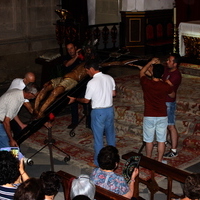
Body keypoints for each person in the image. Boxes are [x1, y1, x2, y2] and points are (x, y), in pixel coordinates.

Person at [68, 60, 116, 167]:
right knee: (110, 135)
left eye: (86, 70)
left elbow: (86, 100)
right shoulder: (109, 78)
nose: (87, 73)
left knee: (98, 138)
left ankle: (98, 162)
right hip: (109, 110)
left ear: (91, 69)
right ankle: (113, 159)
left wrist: (75, 99)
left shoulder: (92, 82)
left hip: (98, 111)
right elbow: (114, 93)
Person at [140, 58, 175, 162]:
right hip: (162, 115)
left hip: (149, 115)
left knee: (149, 140)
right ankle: (159, 161)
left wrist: (150, 62)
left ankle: (149, 159)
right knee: (161, 140)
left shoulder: (146, 83)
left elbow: (142, 71)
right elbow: (172, 95)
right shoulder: (164, 85)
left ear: (152, 72)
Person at [0, 82, 38, 147]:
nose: (33, 98)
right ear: (29, 93)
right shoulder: (15, 100)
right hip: (1, 122)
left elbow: (13, 112)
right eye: (34, 96)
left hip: (2, 119)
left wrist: (21, 124)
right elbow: (6, 122)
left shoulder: (19, 94)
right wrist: (11, 139)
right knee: (7, 147)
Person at [163, 53, 182, 158]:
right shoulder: (167, 70)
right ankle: (164, 142)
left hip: (169, 102)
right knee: (164, 124)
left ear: (175, 64)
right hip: (163, 100)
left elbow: (165, 85)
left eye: (170, 61)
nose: (167, 62)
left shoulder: (176, 75)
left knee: (171, 125)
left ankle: (174, 150)